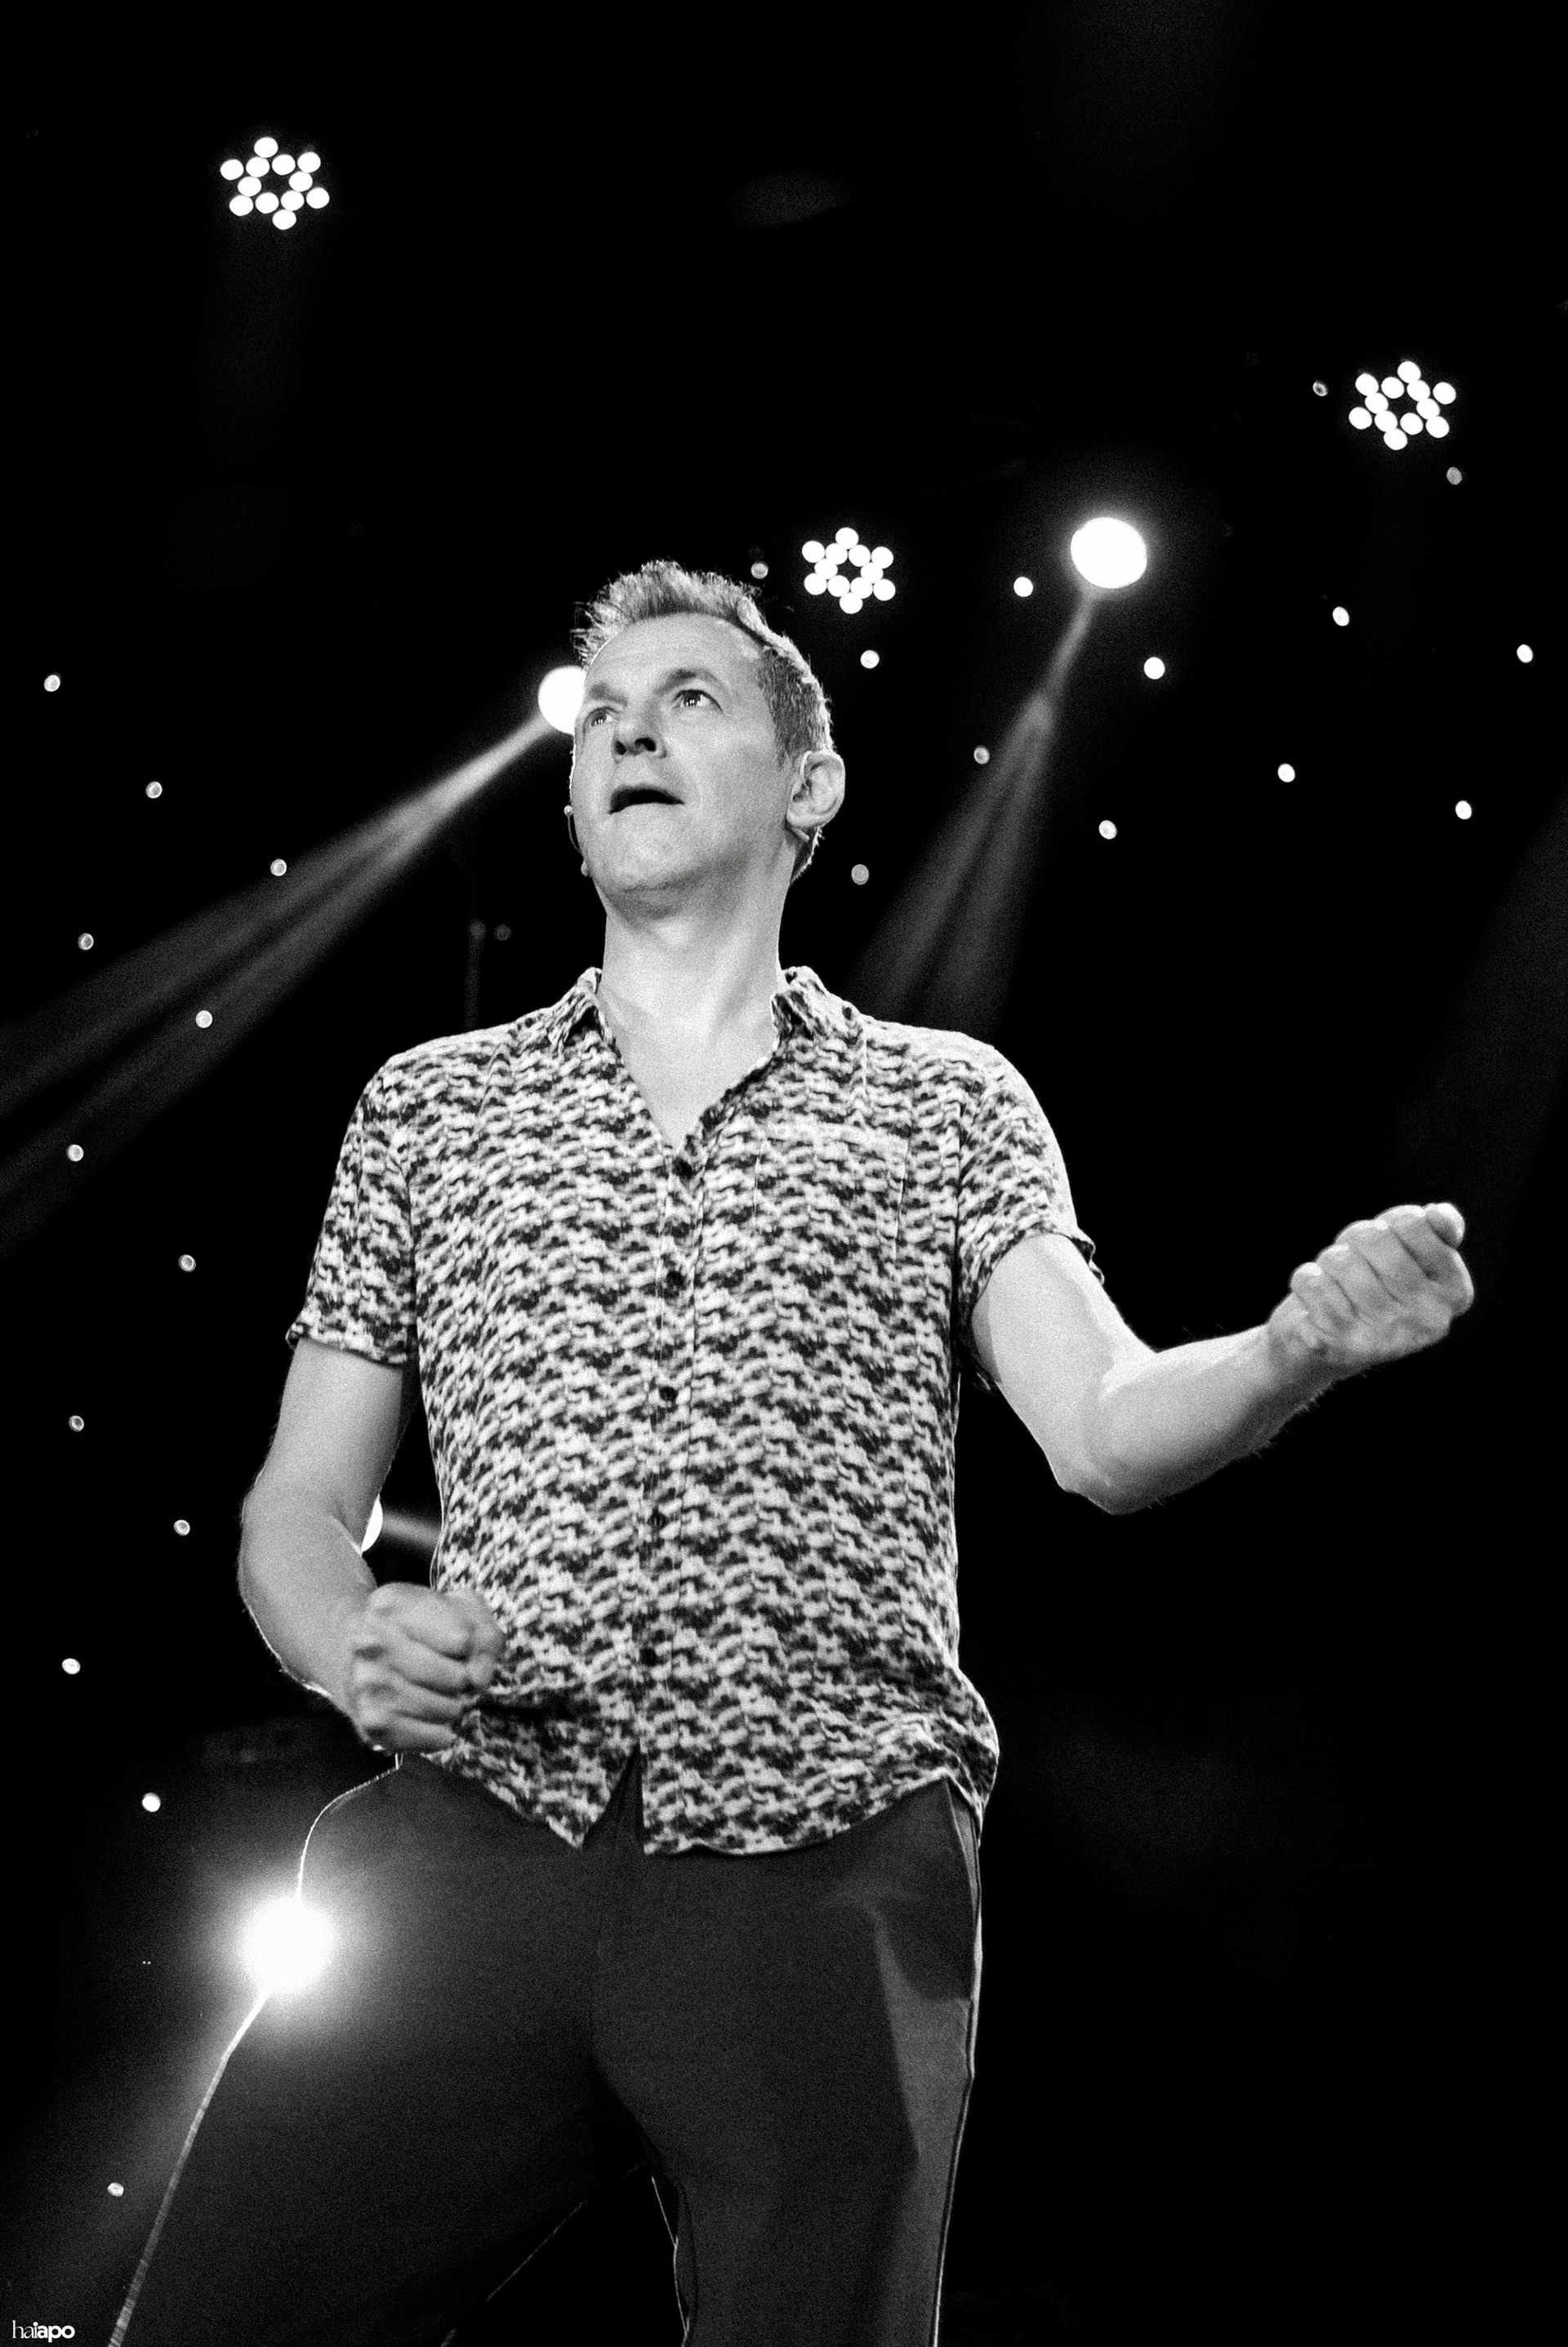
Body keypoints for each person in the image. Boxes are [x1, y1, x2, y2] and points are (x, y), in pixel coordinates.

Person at [112, 560, 1474, 2347]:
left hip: (828, 1857)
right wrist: (346, 1631)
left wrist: (1290, 1352)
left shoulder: (945, 1102)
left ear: (808, 783)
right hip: (481, 1831)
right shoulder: (430, 1109)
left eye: (688, 700)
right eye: (603, 718)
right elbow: (299, 1503)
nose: (629, 734)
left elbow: (1104, 1431)